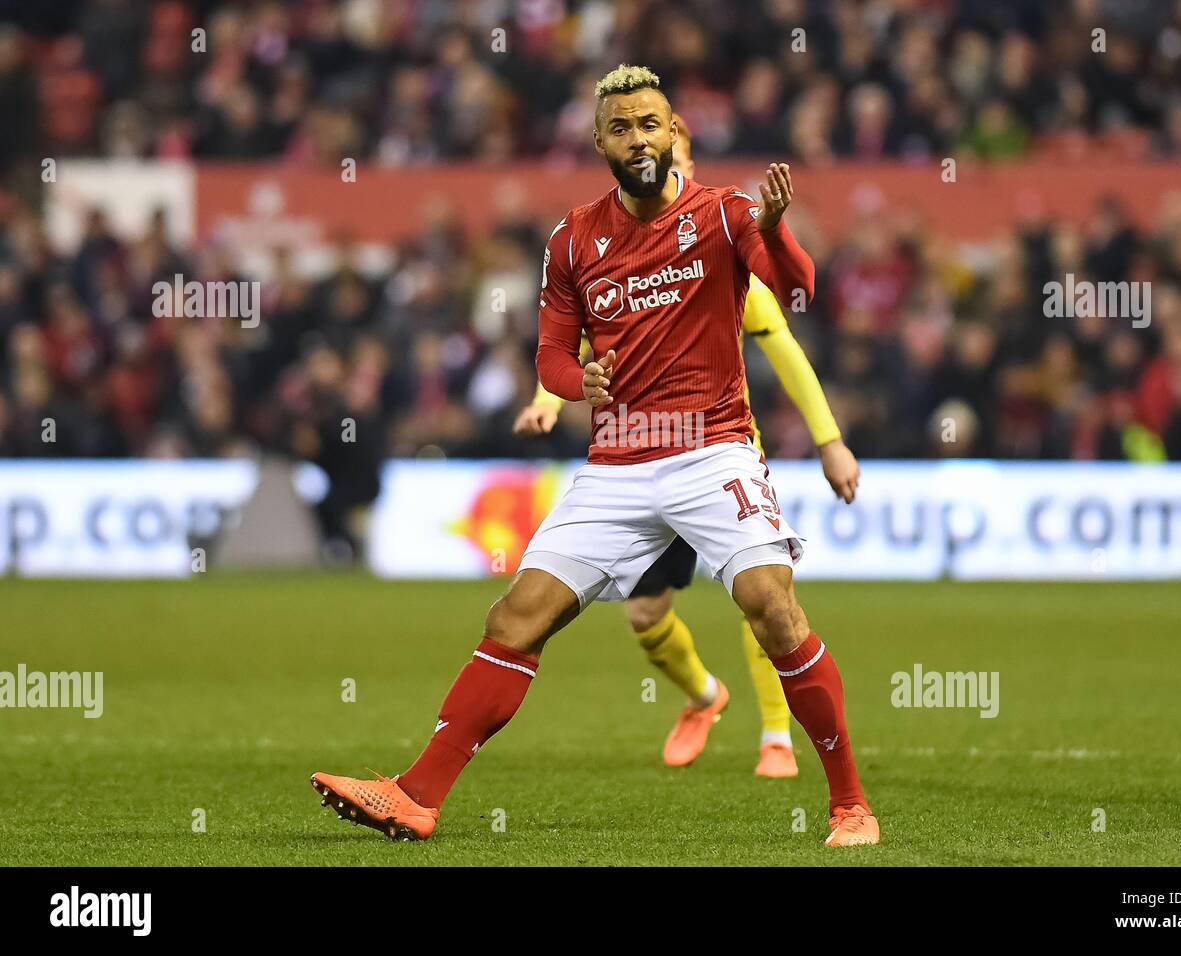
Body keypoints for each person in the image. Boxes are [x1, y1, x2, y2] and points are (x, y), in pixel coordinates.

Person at [311, 64, 879, 847]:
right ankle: (415, 796)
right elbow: (548, 356)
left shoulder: (726, 213)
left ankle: (849, 803)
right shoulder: (573, 238)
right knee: (516, 616)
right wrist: (578, 380)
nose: (637, 138)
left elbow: (798, 287)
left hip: (712, 450)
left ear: (676, 130)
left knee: (770, 605)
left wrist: (779, 228)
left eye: (650, 123)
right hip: (616, 465)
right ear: (599, 141)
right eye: (621, 127)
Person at [512, 113, 859, 778]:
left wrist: (829, 440)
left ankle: (777, 737)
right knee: (645, 614)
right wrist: (545, 400)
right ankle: (704, 696)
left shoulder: (721, 246)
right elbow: (584, 349)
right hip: (639, 459)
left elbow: (782, 346)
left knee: (762, 596)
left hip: (718, 455)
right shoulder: (611, 249)